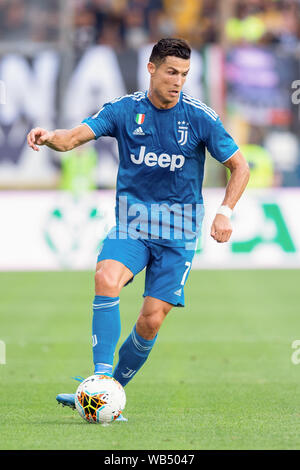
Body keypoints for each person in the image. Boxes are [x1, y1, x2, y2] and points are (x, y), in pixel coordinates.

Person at [27, 38, 250, 421]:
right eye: (170, 72)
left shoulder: (200, 118)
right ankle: (99, 377)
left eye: (183, 74)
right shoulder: (125, 110)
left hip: (179, 234)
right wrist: (49, 138)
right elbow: (74, 137)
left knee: (151, 319)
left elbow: (240, 166)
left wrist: (225, 211)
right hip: (132, 225)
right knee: (106, 276)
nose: (178, 81)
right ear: (151, 69)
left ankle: (107, 393)